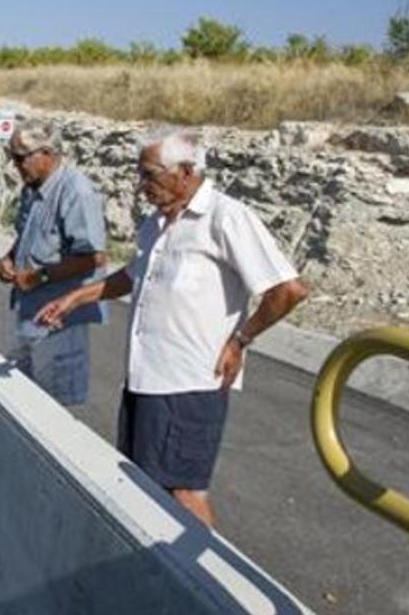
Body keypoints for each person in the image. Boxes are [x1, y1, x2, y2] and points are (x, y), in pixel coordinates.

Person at [35, 130, 308, 526]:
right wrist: (77, 298)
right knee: (147, 486)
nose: (141, 185)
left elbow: (288, 290)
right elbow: (134, 276)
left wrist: (241, 341)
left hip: (190, 383)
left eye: (149, 175)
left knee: (183, 492)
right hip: (146, 379)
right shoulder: (156, 224)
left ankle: (211, 580)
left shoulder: (225, 218)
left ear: (186, 171)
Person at [0, 123, 109, 406]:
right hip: (26, 314)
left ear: (46, 153)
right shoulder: (31, 190)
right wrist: (9, 259)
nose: (15, 166)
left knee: (52, 410)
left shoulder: (76, 193)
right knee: (20, 403)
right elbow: (27, 236)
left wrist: (40, 277)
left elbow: (93, 257)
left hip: (59, 323)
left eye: (20, 158)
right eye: (11, 157)